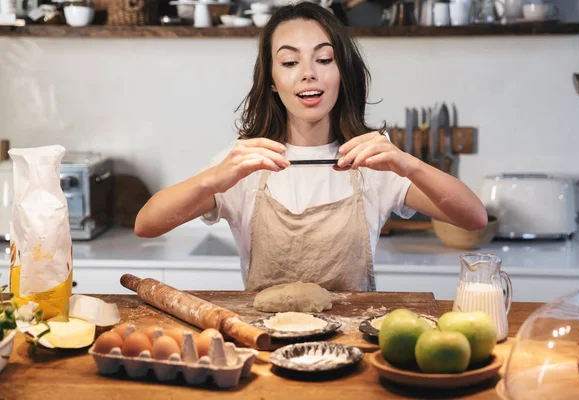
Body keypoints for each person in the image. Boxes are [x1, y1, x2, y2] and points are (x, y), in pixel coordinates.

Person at [134, 3, 487, 292]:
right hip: (264, 349)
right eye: (289, 62)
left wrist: (409, 165)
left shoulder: (371, 161)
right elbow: (146, 225)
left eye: (324, 59)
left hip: (351, 348)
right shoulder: (245, 161)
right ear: (272, 81)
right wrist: (213, 179)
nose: (308, 73)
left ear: (342, 73)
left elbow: (473, 219)